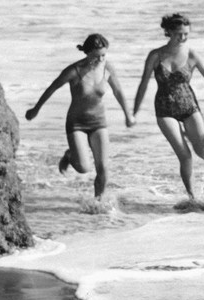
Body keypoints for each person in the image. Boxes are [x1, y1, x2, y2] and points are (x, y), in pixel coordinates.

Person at [133, 12, 204, 205]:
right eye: (179, 33)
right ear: (168, 32)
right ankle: (192, 197)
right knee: (185, 156)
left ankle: (188, 134)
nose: (183, 37)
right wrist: (134, 112)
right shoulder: (156, 55)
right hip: (164, 109)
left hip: (189, 106)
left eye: (186, 34)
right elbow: (143, 83)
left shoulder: (192, 55)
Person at [25, 33, 134, 200]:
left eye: (104, 55)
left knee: (103, 167)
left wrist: (128, 115)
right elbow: (52, 88)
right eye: (96, 56)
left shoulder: (107, 68)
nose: (100, 59)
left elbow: (118, 91)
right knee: (84, 168)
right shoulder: (74, 71)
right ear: (87, 53)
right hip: (77, 124)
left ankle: (98, 201)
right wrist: (36, 109)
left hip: (99, 122)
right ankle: (70, 155)